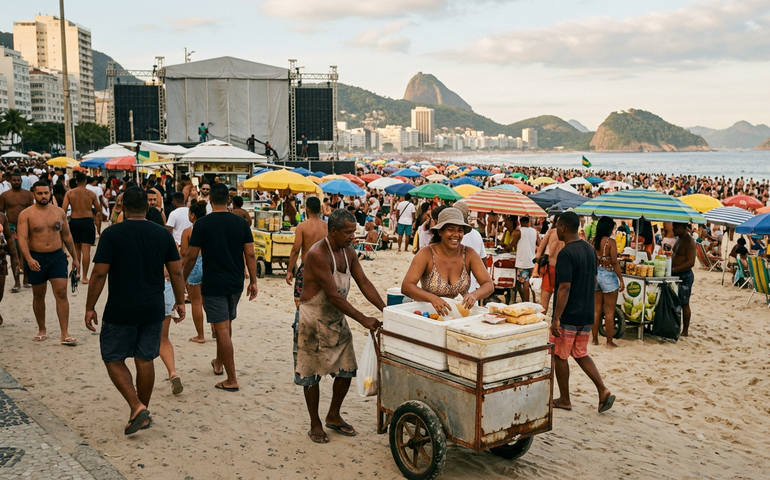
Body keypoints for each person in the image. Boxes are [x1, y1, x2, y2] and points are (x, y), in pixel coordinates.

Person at [84, 187, 186, 435]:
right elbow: (176, 271)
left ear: (124, 207)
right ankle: (142, 411)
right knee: (145, 359)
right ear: (148, 208)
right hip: (152, 306)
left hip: (121, 306)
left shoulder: (112, 234)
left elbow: (99, 272)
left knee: (112, 357)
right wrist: (180, 301)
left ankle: (136, 405)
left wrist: (90, 306)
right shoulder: (162, 235)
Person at [295, 209, 385, 444]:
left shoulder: (348, 252)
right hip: (311, 320)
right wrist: (364, 319)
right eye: (348, 232)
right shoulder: (318, 254)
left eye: (353, 232)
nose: (352, 237)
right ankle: (315, 423)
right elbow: (334, 296)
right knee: (311, 374)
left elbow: (363, 282)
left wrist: (386, 309)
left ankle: (333, 415)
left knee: (347, 369)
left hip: (336, 317)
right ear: (333, 231)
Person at [182, 183, 258, 392]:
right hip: (235, 282)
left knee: (221, 327)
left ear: (210, 201)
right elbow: (250, 254)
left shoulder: (203, 225)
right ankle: (218, 361)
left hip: (214, 282)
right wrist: (253, 280)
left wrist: (182, 280)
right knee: (226, 323)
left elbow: (190, 256)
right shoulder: (241, 223)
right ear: (229, 200)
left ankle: (231, 379)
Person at [550, 212, 615, 413]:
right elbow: (594, 280)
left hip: (569, 313)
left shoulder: (566, 253)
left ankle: (565, 399)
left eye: (558, 226)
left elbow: (564, 288)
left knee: (560, 355)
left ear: (562, 227)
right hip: (586, 312)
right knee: (580, 353)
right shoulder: (588, 249)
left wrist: (556, 317)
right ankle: (603, 390)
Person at [16, 181, 79, 344]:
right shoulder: (26, 214)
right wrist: (29, 259)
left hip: (57, 256)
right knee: (38, 295)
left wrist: (75, 258)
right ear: (33, 194)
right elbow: (22, 240)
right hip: (36, 257)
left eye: (46, 193)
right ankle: (41, 328)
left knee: (62, 293)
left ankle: (64, 333)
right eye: (39, 193)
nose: (43, 196)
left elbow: (67, 235)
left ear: (50, 193)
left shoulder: (59, 212)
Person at [401, 208, 493, 316]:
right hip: (430, 315)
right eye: (451, 229)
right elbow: (407, 286)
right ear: (440, 231)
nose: (456, 234)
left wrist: (474, 295)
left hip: (459, 316)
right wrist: (432, 298)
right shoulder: (426, 254)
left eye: (460, 230)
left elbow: (488, 285)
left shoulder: (469, 254)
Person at [286, 197, 327, 309]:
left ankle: (301, 321)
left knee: (300, 301)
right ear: (320, 210)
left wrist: (289, 270)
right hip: (324, 268)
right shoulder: (326, 227)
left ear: (307, 209)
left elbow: (295, 250)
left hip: (307, 268)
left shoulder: (302, 227)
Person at [591, 217, 625, 347]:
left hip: (596, 275)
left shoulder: (593, 241)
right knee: (609, 311)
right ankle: (609, 342)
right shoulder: (610, 242)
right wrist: (621, 279)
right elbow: (615, 262)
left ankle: (594, 340)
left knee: (596, 310)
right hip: (608, 275)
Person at [62, 172, 99, 284]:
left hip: (75, 221)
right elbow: (98, 208)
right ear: (86, 181)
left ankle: (77, 272)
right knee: (86, 250)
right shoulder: (91, 194)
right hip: (87, 221)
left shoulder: (70, 193)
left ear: (76, 181)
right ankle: (85, 277)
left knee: (76, 248)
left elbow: (63, 209)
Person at [0, 171, 34, 291]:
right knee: (14, 254)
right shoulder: (5, 195)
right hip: (11, 227)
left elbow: (32, 212)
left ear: (21, 181)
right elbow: (1, 213)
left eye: (18, 180)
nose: (16, 182)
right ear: (10, 181)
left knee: (26, 253)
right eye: (14, 180)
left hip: (25, 226)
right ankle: (17, 282)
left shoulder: (29, 195)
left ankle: (26, 279)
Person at [181, 200, 207, 343]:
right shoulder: (210, 229)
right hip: (209, 264)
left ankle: (201, 335)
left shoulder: (187, 232)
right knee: (210, 301)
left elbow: (185, 253)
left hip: (195, 264)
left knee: (196, 302)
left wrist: (182, 274)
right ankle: (216, 330)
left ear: (192, 215)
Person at [454, 201, 486, 295]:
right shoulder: (476, 235)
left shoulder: (450, 236)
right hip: (472, 290)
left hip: (464, 293)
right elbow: (484, 261)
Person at [533, 219, 564, 315]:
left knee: (544, 305)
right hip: (563, 269)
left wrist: (536, 267)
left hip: (550, 268)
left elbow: (540, 250)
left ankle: (541, 324)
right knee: (561, 302)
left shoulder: (551, 232)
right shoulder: (568, 235)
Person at [671, 223, 696, 337]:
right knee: (675, 301)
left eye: (675, 227)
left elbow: (691, 262)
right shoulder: (679, 239)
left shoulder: (689, 241)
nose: (673, 229)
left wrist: (675, 269)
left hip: (684, 275)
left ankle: (685, 330)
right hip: (676, 274)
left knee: (684, 303)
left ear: (683, 227)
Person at [510, 217, 539, 302]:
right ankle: (529, 300)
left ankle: (526, 302)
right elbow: (540, 244)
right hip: (532, 261)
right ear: (529, 222)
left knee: (525, 284)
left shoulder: (519, 232)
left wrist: (505, 248)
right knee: (528, 283)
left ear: (520, 222)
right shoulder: (535, 232)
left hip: (522, 262)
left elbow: (512, 244)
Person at [0, 211, 21, 325]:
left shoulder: (2, 217)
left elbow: (9, 237)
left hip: (1, 258)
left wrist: (15, 257)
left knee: (0, 291)